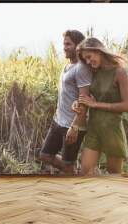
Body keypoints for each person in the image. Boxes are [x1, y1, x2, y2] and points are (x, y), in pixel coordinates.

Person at [73, 37, 128, 175]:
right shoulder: (93, 72)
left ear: (98, 51)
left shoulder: (119, 72)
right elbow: (87, 97)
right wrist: (77, 103)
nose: (88, 62)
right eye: (85, 60)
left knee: (114, 174)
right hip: (93, 128)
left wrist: (96, 104)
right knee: (85, 171)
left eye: (89, 57)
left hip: (112, 130)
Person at [39, 30, 92, 174]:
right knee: (45, 155)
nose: (65, 47)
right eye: (64, 44)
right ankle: (72, 171)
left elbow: (84, 100)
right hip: (59, 121)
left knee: (68, 163)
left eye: (68, 44)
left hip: (72, 125)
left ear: (78, 46)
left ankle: (71, 178)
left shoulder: (82, 68)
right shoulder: (68, 66)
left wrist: (75, 127)